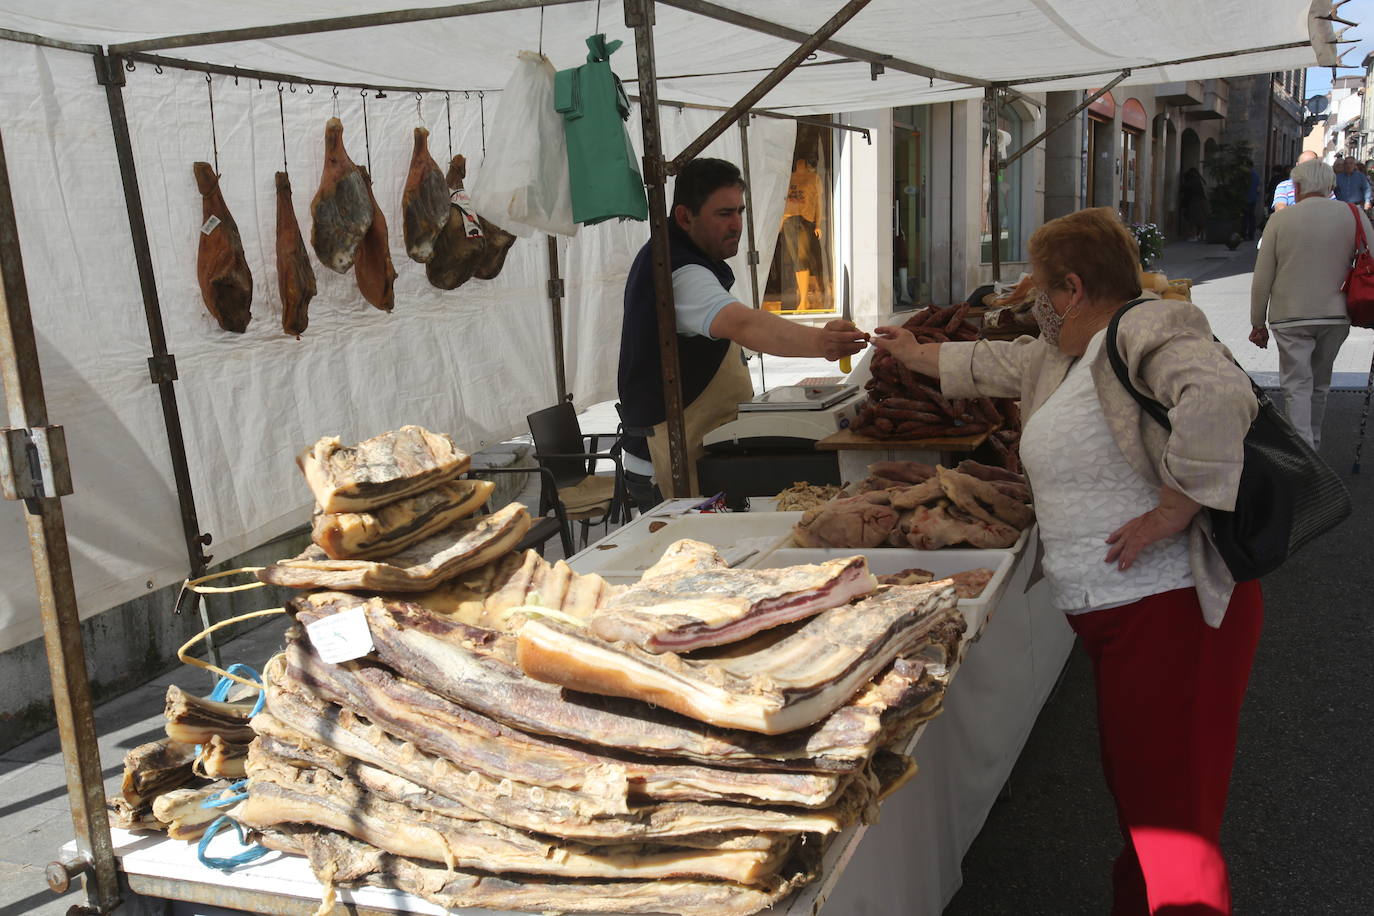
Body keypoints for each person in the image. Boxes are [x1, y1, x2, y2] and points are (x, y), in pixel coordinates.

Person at [872, 207, 1262, 916]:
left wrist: (1175, 508)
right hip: (1125, 620)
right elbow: (992, 363)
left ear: (1073, 289)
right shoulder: (1068, 351)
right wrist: (907, 350)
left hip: (1170, 613)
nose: (1031, 300)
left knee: (1172, 821)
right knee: (1143, 799)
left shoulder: (1145, 327)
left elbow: (1221, 396)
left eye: (1038, 288)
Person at [617, 158, 868, 495]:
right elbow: (744, 323)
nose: (736, 224)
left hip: (700, 440)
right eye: (723, 214)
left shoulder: (684, 256)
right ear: (684, 217)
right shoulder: (680, 272)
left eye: (740, 211)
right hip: (667, 455)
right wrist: (820, 342)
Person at [1251, 158, 1369, 449]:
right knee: (1319, 384)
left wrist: (1257, 322)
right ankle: (1313, 442)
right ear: (1330, 186)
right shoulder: (1353, 213)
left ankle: (1303, 451)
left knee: (1296, 386)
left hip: (1289, 316)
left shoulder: (1280, 219)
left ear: (1298, 186)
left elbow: (1262, 276)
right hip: (1336, 313)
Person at [1179, 167, 1208, 241]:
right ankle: (1199, 235)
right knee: (1201, 220)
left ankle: (1195, 236)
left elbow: (1184, 190)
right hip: (1201, 202)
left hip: (1195, 203)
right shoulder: (1198, 180)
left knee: (1194, 220)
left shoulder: (1192, 181)